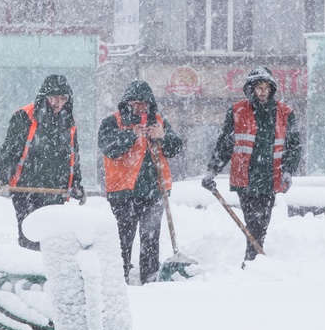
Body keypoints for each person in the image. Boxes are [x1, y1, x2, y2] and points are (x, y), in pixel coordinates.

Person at [202, 67, 301, 265]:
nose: (263, 92)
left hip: (270, 177)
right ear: (251, 89)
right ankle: (254, 261)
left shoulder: (285, 113)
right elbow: (225, 143)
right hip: (245, 177)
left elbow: (294, 145)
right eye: (259, 87)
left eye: (266, 87)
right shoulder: (238, 111)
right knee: (252, 222)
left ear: (272, 89)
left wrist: (288, 170)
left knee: (261, 223)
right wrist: (213, 169)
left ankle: (252, 261)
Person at [99, 80, 183, 284]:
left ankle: (150, 277)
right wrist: (131, 134)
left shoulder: (159, 122)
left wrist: (162, 137)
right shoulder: (113, 121)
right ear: (127, 103)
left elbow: (175, 149)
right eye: (135, 103)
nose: (139, 108)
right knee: (123, 240)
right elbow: (109, 148)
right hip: (123, 192)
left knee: (151, 238)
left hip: (154, 192)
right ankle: (120, 277)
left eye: (144, 104)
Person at [0, 74, 86, 251]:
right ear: (44, 96)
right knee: (30, 238)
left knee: (52, 241)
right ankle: (30, 273)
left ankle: (47, 276)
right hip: (27, 190)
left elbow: (73, 156)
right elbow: (10, 150)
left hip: (55, 191)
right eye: (53, 98)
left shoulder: (68, 121)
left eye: (63, 98)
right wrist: (3, 177)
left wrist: (76, 184)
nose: (58, 103)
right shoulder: (25, 116)